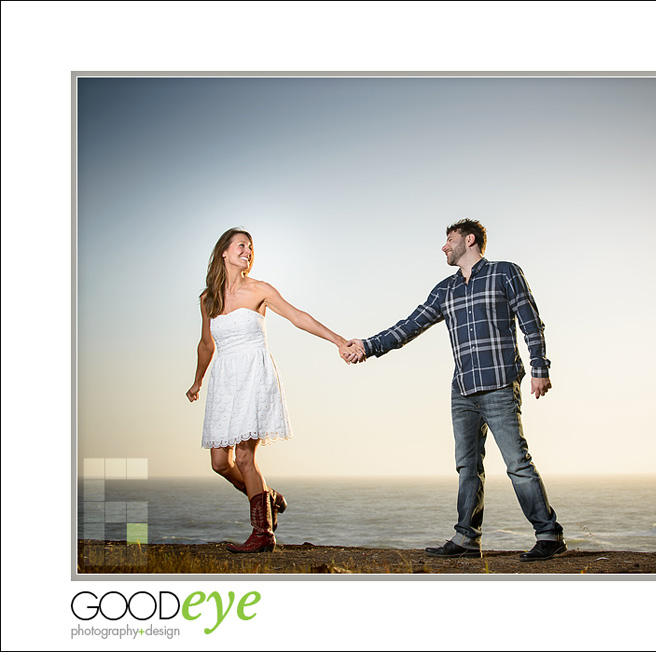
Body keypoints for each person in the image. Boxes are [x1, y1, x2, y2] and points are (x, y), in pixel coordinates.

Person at [347, 219, 566, 561]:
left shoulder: (505, 273)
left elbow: (530, 321)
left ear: (470, 240)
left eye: (449, 240)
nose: (444, 247)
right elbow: (409, 326)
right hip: (462, 390)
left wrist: (539, 368)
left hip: (499, 383)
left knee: (517, 463)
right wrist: (367, 345)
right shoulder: (444, 290)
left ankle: (549, 535)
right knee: (467, 466)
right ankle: (466, 539)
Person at [186, 227, 362, 553]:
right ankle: (268, 498)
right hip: (224, 381)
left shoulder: (260, 290)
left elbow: (297, 317)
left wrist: (339, 341)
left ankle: (263, 533)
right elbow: (206, 343)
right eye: (242, 246)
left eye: (251, 248)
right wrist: (198, 380)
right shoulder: (207, 299)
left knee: (244, 456)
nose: (248, 251)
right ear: (224, 252)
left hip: (254, 375)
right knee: (219, 463)